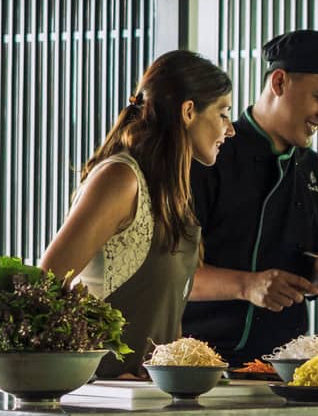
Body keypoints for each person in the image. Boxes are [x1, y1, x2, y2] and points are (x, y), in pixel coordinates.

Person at [40, 50, 235, 377]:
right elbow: (43, 287)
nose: (230, 130)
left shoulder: (172, 191)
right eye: (223, 113)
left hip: (149, 400)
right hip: (100, 402)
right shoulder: (121, 180)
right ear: (189, 111)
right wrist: (99, 372)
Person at [184, 30, 318, 367]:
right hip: (200, 362)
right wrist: (247, 285)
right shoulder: (211, 154)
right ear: (279, 83)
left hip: (282, 366)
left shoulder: (314, 170)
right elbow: (172, 275)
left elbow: (311, 279)